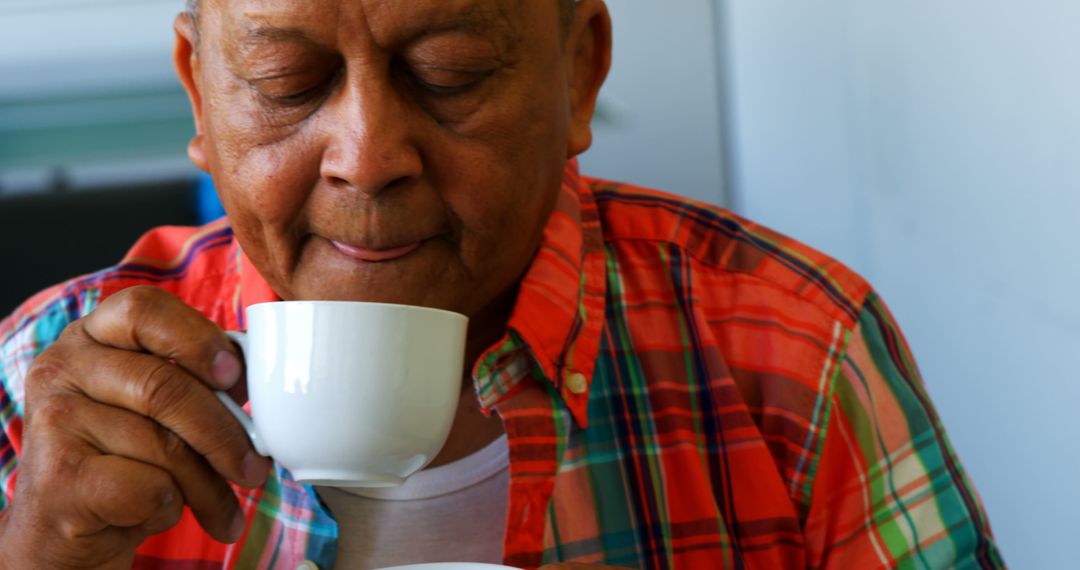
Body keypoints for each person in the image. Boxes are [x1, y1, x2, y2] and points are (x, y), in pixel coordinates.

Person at [0, 0, 1004, 568]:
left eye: (450, 71)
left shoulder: (794, 351)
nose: (367, 155)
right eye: (284, 83)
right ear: (198, 90)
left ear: (583, 70)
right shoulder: (49, 385)